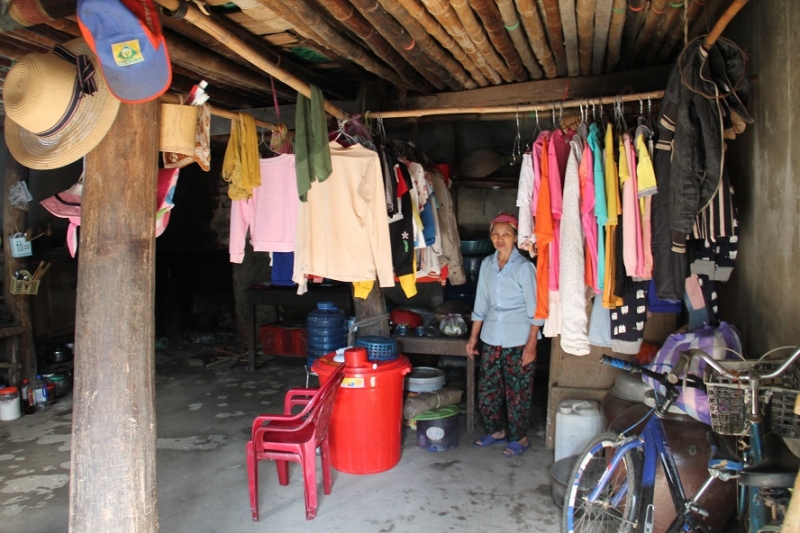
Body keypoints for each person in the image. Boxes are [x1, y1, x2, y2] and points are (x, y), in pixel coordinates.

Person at [465, 212, 544, 456]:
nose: (500, 239)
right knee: (489, 388)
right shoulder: (487, 264)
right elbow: (481, 304)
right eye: (496, 234)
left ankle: (519, 438)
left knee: (517, 390)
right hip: (490, 336)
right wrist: (473, 338)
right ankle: (496, 431)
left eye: (506, 234)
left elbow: (536, 310)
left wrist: (532, 343)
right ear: (491, 237)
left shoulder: (524, 268)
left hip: (518, 339)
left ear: (515, 238)